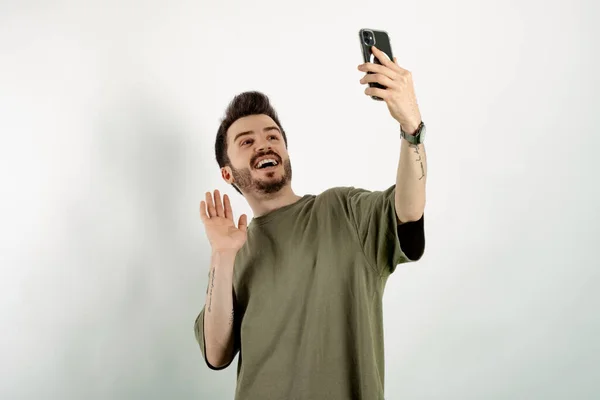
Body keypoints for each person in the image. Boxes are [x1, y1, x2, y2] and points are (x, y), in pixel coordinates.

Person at [194, 46, 427, 400]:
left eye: (273, 136)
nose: (264, 144)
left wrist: (412, 129)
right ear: (228, 173)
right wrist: (223, 256)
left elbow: (407, 214)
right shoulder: (233, 252)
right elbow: (216, 353)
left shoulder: (341, 210)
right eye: (247, 141)